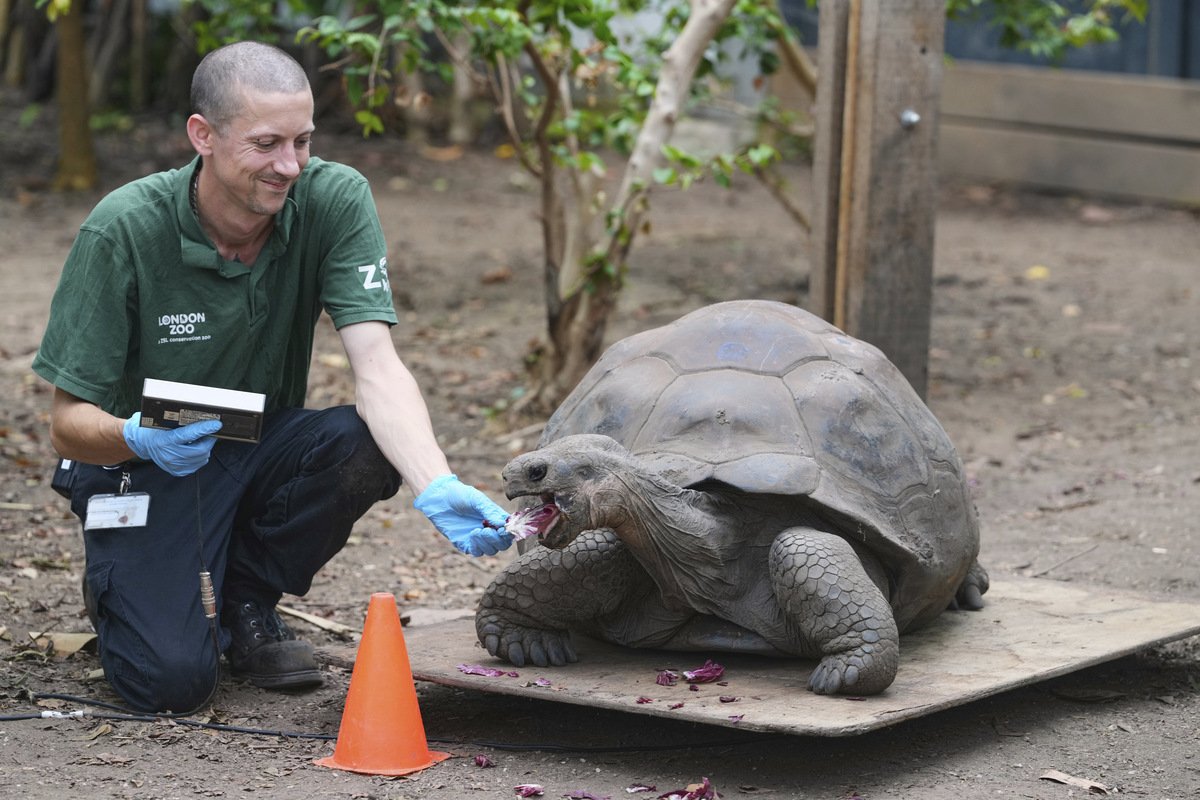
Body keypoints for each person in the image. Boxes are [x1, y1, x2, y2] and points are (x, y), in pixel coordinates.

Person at [31, 41, 514, 713]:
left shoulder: (332, 199)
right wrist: (138, 438)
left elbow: (376, 364)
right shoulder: (124, 229)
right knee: (170, 685)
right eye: (265, 144)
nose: (289, 165)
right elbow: (66, 423)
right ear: (203, 135)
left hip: (255, 441)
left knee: (361, 442)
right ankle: (128, 581)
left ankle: (244, 599)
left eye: (303, 140)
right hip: (137, 460)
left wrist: (435, 481)